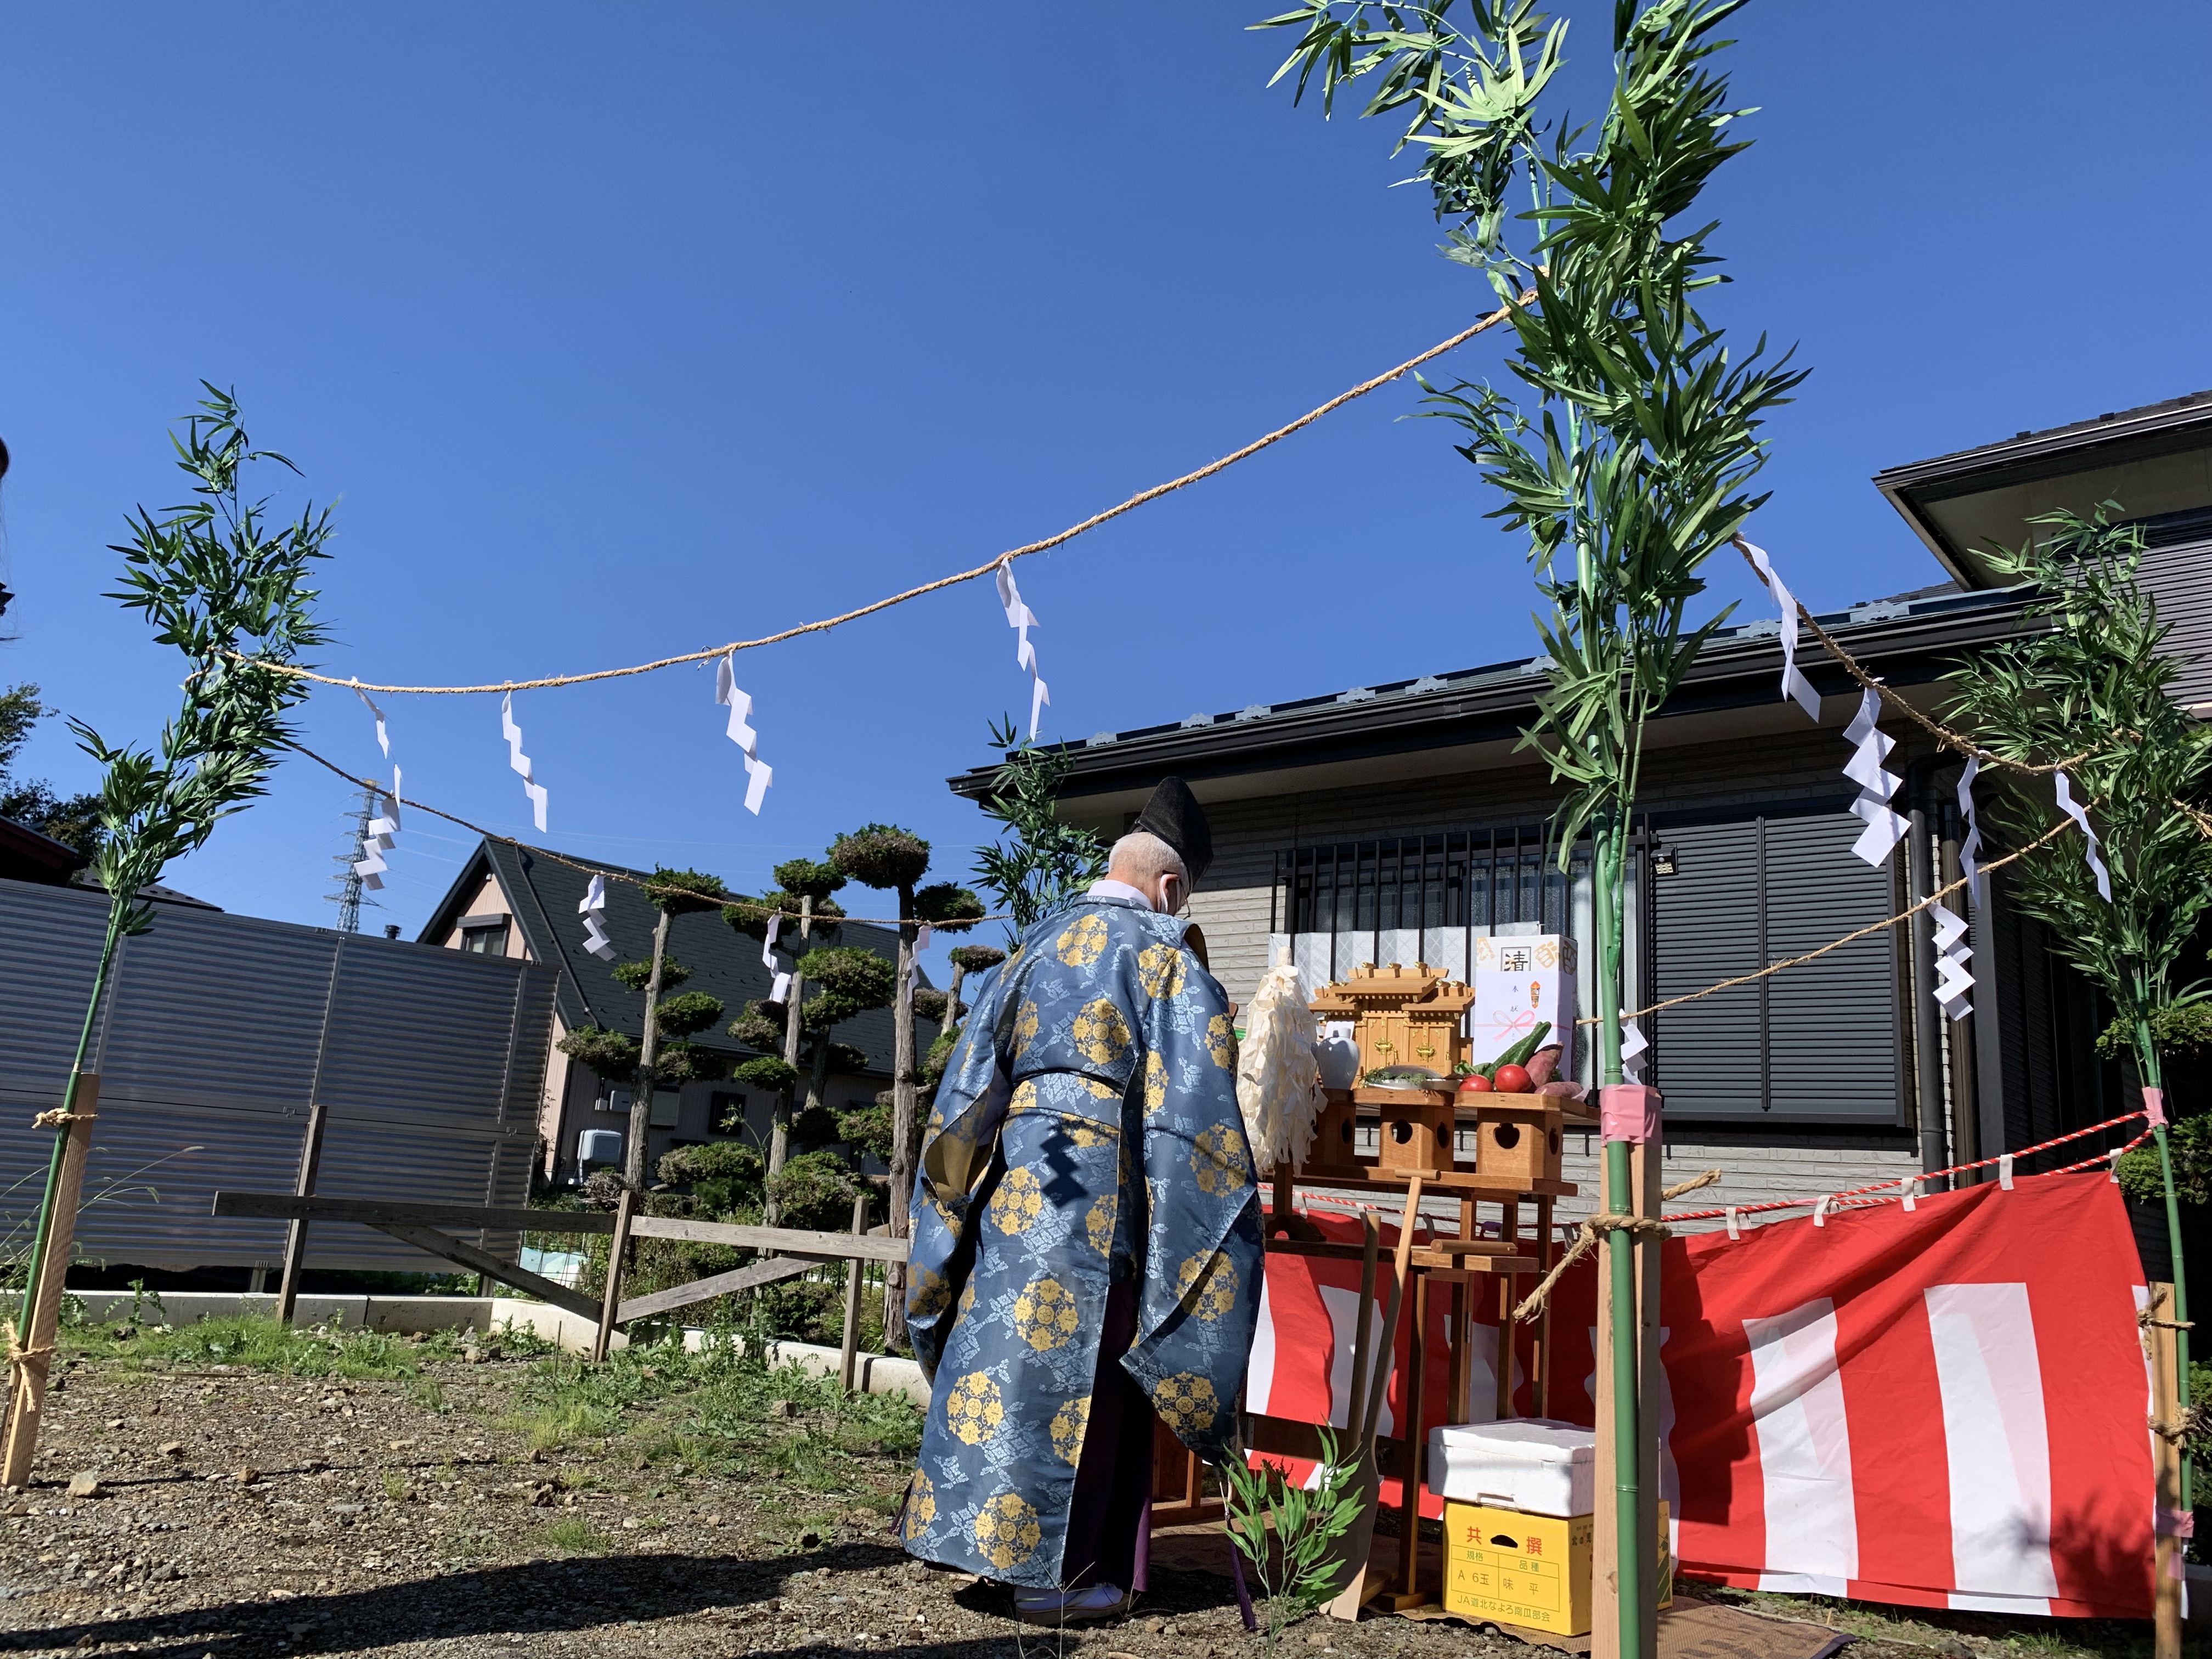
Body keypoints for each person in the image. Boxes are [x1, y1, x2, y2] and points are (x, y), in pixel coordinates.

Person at [900, 776, 1261, 1624]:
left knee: (1004, 1362)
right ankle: (1065, 1576)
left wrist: (955, 1202)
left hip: (1022, 1184)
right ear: (1171, 887)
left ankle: (991, 1556)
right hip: (1102, 1198)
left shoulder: (1035, 946)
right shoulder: (1167, 957)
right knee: (1086, 1374)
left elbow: (965, 1094)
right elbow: (1193, 1120)